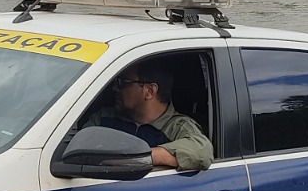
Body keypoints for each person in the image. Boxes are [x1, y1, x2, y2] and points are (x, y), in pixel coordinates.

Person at [85, 60, 213, 171]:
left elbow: (202, 152)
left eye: (123, 82)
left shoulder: (177, 127)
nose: (114, 88)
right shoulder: (103, 118)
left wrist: (141, 158)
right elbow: (79, 147)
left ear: (149, 91)